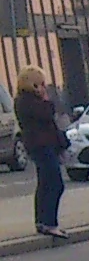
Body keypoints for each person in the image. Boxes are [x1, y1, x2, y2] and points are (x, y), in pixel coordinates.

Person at [14, 66, 68, 240]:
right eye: (40, 83)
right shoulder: (25, 101)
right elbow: (46, 114)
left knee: (45, 183)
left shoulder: (30, 100)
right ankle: (50, 222)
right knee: (55, 183)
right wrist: (45, 99)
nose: (43, 87)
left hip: (44, 145)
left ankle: (42, 221)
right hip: (40, 146)